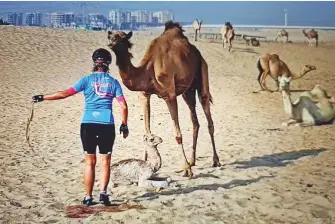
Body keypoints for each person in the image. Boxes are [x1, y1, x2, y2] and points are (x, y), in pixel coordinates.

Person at [32, 48, 129, 206]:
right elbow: (123, 105)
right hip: (106, 125)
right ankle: (103, 193)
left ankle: (88, 197)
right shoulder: (113, 82)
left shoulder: (86, 80)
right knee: (105, 161)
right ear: (108, 64)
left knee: (89, 162)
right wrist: (124, 124)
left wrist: (43, 97)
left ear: (94, 63)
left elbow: (65, 94)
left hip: (88, 125)